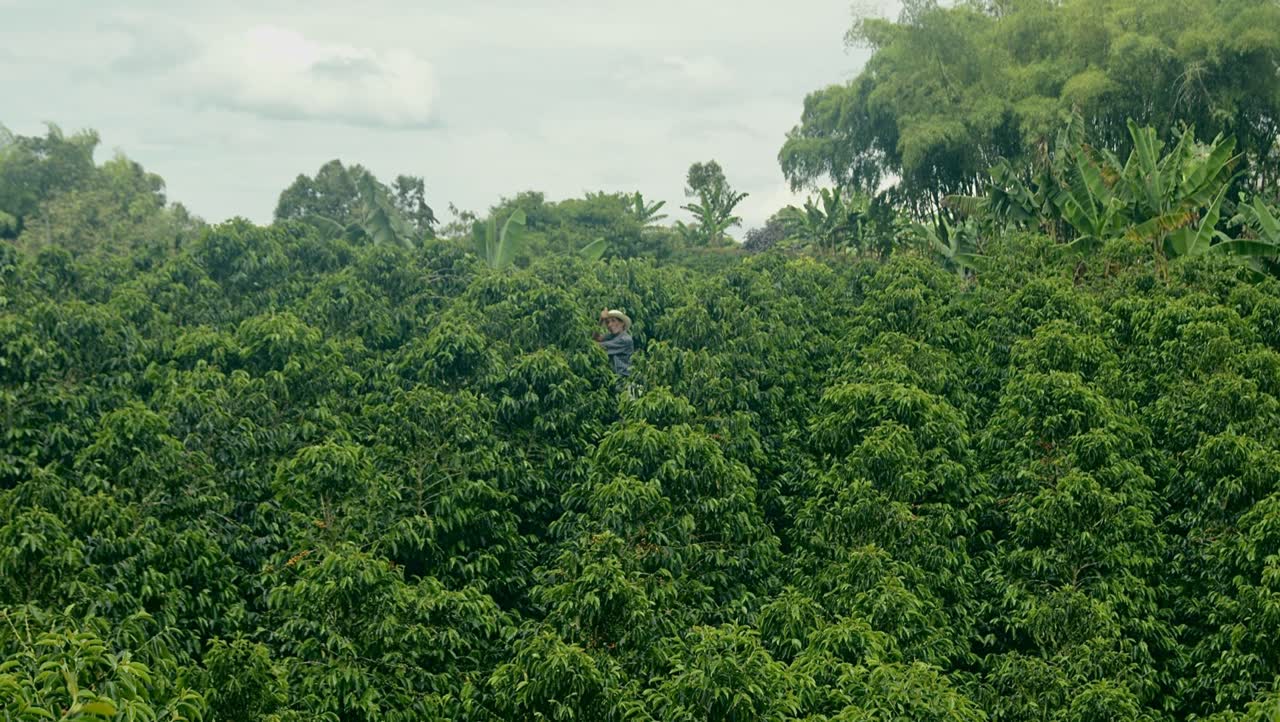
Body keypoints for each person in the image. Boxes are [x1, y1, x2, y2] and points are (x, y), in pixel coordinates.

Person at [593, 308, 633, 378]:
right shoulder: (611, 336)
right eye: (608, 322)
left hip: (624, 379)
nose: (610, 325)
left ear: (622, 323)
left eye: (613, 321)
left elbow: (596, 346)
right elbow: (596, 339)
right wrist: (601, 320)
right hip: (613, 378)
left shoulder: (625, 339)